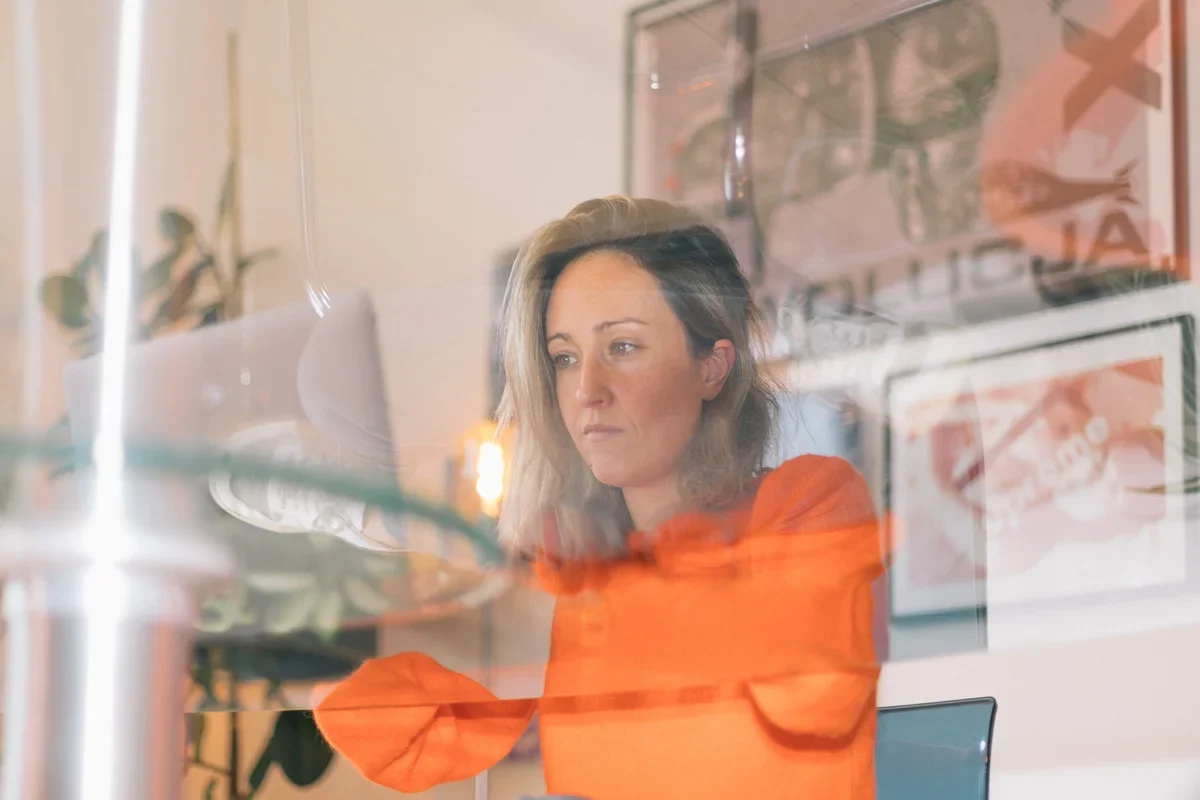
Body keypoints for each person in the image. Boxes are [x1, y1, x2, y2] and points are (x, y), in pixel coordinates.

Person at [314, 197, 884, 799]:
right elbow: (400, 741)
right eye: (564, 357)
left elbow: (800, 701)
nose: (587, 390)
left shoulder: (807, 501)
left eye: (623, 347)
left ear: (712, 368)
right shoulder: (587, 576)